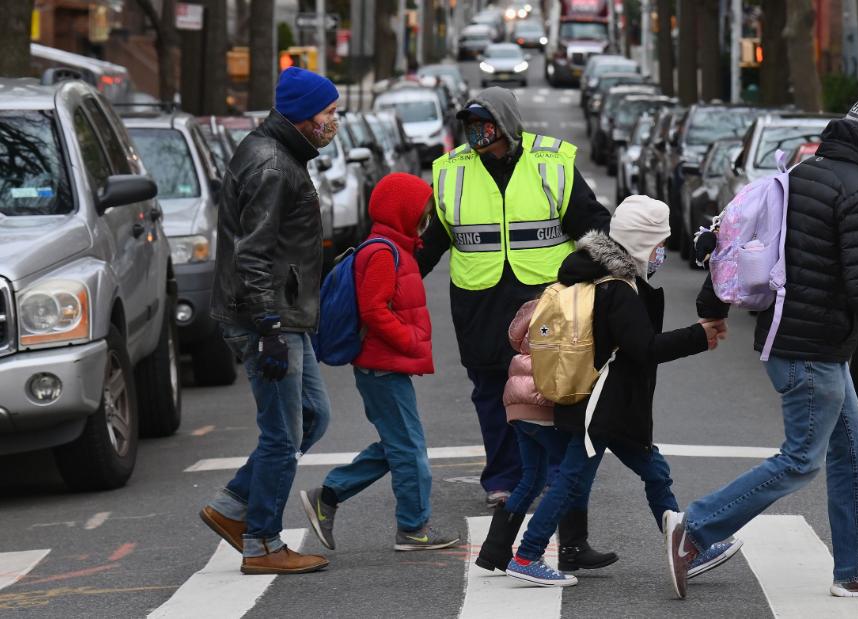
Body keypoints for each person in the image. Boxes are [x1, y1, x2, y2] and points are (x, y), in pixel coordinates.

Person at [663, 97, 858, 600]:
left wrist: (711, 306)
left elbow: (735, 238)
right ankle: (694, 529)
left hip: (797, 342)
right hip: (812, 348)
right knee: (801, 459)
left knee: (852, 448)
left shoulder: (799, 175)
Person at [504, 196, 741, 587]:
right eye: (658, 244)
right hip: (602, 405)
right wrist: (698, 336)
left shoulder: (595, 276)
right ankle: (528, 555)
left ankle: (689, 548)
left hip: (609, 404)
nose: (662, 252)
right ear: (640, 243)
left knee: (654, 472)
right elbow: (642, 348)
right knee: (571, 480)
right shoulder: (618, 288)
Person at [418, 87, 611, 509]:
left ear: (506, 123)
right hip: (479, 303)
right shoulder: (450, 171)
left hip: (547, 300)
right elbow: (429, 243)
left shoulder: (552, 162)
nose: (475, 133)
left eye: (483, 124)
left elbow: (592, 226)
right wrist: (397, 282)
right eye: (468, 125)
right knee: (491, 392)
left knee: (554, 390)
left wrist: (613, 274)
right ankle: (504, 477)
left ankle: (557, 475)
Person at [201, 66, 339, 575]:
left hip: (282, 312)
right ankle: (262, 543)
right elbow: (252, 255)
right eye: (329, 112)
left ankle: (233, 505)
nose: (334, 121)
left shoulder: (282, 155)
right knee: (282, 434)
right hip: (267, 318)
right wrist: (270, 330)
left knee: (313, 418)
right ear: (303, 117)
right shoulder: (273, 166)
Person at [299, 173, 461, 554]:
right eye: (421, 209)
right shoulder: (382, 253)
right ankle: (413, 527)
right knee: (409, 448)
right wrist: (410, 340)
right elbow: (374, 310)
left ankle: (329, 494)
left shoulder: (395, 248)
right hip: (382, 366)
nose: (427, 216)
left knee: (397, 444)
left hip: (384, 366)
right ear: (402, 210)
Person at [475, 300, 617, 574]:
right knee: (571, 476)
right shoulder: (578, 305)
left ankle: (495, 548)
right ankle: (544, 551)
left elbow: (515, 335)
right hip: (544, 404)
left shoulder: (538, 302)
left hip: (517, 399)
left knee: (532, 478)